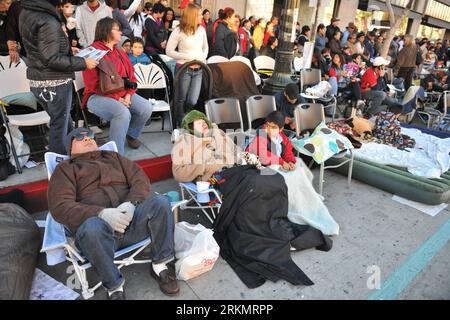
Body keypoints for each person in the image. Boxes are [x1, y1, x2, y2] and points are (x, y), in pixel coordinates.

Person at [48, 128, 179, 300]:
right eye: (79, 137)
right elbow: (60, 206)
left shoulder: (114, 157)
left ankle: (160, 265)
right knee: (92, 227)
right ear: (70, 148)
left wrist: (132, 203)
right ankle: (114, 286)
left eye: (90, 135)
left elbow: (140, 179)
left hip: (132, 222)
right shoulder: (64, 169)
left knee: (161, 202)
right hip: (98, 237)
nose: (87, 138)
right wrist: (101, 213)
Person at [19, 0, 98, 155]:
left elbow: (39, 48)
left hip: (39, 80)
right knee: (59, 125)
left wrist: (69, 51)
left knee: (62, 121)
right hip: (55, 81)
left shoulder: (26, 12)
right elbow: (51, 58)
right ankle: (59, 167)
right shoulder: (48, 20)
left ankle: (71, 158)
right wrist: (83, 62)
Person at [82, 17, 153, 155]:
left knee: (146, 107)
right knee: (122, 113)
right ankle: (116, 154)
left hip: (122, 94)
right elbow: (93, 84)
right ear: (107, 31)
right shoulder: (92, 51)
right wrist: (117, 98)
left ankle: (131, 134)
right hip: (97, 96)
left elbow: (131, 76)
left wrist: (128, 94)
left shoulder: (119, 52)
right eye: (117, 29)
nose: (121, 32)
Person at [166, 2, 208, 127]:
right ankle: (181, 125)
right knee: (180, 99)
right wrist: (187, 56)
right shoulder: (178, 30)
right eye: (199, 15)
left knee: (193, 100)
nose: (201, 17)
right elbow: (169, 51)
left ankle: (186, 119)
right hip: (183, 69)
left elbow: (206, 48)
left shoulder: (201, 30)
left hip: (199, 69)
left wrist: (202, 56)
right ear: (191, 15)